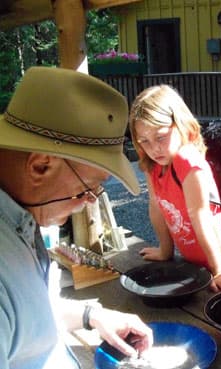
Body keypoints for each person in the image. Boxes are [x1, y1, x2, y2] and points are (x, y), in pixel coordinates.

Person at [0, 66, 153, 369]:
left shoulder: (19, 216)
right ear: (41, 165)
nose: (86, 203)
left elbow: (27, 318)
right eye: (87, 189)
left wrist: (91, 316)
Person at [128, 85, 221, 292]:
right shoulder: (152, 164)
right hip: (194, 264)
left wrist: (219, 271)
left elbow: (201, 217)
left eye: (160, 137)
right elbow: (156, 207)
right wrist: (165, 250)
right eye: (144, 141)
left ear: (180, 125)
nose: (154, 148)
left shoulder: (187, 160)